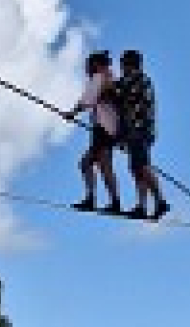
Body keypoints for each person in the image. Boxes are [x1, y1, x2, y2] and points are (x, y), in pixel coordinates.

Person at [114, 50, 170, 220]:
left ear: (130, 64)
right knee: (136, 167)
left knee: (142, 165)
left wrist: (105, 86)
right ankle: (142, 205)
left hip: (140, 130)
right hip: (135, 132)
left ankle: (160, 201)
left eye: (123, 64)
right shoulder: (132, 80)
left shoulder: (138, 79)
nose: (121, 67)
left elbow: (120, 94)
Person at [63, 51, 121, 214]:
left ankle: (109, 201)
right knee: (91, 164)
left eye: (88, 65)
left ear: (95, 64)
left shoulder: (99, 77)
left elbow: (87, 100)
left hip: (102, 129)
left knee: (100, 165)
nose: (86, 69)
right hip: (110, 129)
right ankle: (96, 199)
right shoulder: (111, 78)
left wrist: (71, 113)